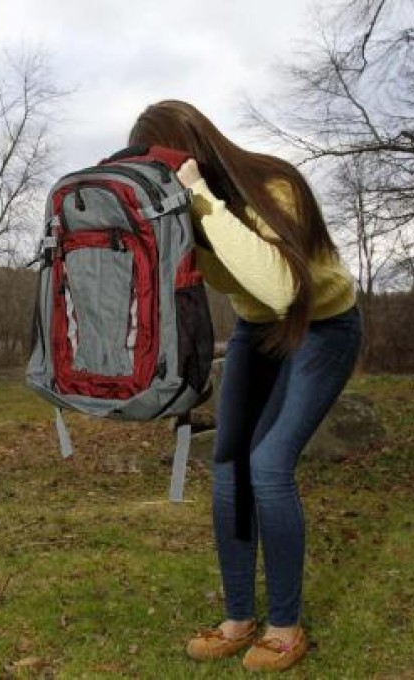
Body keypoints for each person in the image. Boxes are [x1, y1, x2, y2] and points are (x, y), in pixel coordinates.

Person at [128, 100, 361, 672]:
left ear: (192, 153)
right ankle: (238, 619)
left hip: (322, 326)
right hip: (258, 332)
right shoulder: (181, 212)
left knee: (270, 465)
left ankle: (285, 626)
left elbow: (280, 288)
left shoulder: (275, 185)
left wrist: (202, 199)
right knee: (229, 463)